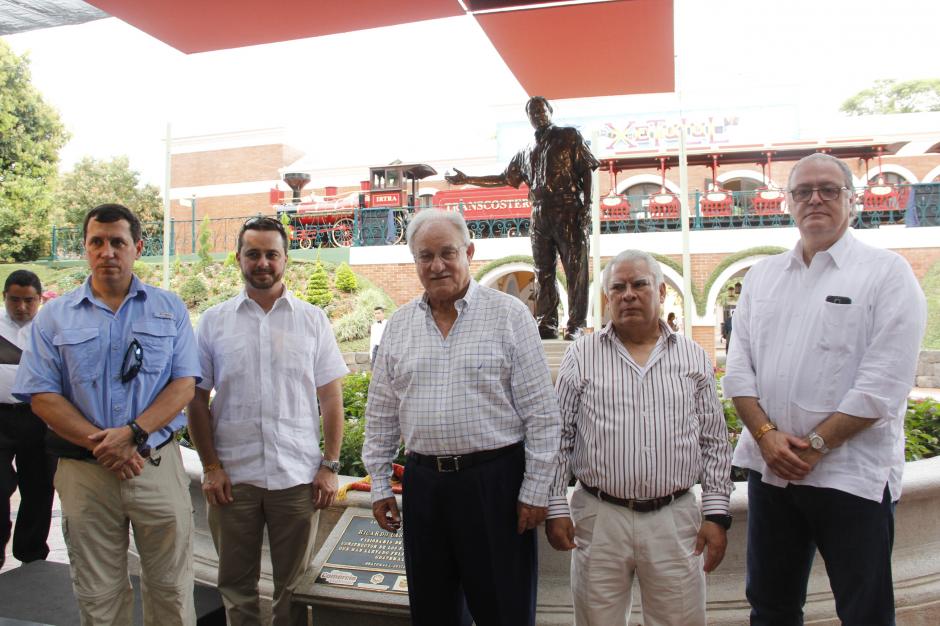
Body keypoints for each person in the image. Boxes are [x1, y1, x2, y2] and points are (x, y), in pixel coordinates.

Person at [724, 153, 927, 625]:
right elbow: (739, 371)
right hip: (772, 475)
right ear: (789, 203)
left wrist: (815, 446)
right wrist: (767, 436)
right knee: (771, 607)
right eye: (803, 191)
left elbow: (884, 384)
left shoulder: (886, 274)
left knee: (864, 612)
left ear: (851, 201)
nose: (815, 199)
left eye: (829, 190)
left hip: (850, 477)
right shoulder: (763, 276)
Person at [362, 209, 561, 626]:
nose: (437, 265)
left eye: (447, 252)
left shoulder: (509, 316)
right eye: (425, 256)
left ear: (469, 252)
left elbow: (542, 415)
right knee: (433, 612)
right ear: (414, 262)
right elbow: (380, 414)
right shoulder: (398, 326)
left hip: (495, 485)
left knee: (503, 610)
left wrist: (536, 489)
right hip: (425, 487)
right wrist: (380, 484)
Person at [13, 203, 201, 625]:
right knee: (97, 593)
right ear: (85, 249)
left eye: (117, 242)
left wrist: (133, 433)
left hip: (154, 466)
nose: (107, 251)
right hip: (86, 474)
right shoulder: (55, 317)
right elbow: (41, 394)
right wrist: (103, 443)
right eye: (97, 242)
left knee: (171, 590)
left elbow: (184, 385)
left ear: (136, 247)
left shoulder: (169, 309)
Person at [545, 249, 733, 626]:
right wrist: (555, 506)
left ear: (661, 292)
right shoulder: (581, 356)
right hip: (600, 517)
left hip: (675, 518)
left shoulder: (692, 357)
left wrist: (716, 514)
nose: (628, 294)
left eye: (639, 285)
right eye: (618, 287)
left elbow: (713, 441)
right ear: (608, 297)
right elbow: (558, 435)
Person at [188, 216, 347, 625]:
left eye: (271, 254)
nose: (263, 262)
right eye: (253, 253)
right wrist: (210, 467)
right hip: (232, 481)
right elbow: (196, 398)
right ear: (238, 258)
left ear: (285, 259)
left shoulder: (312, 320)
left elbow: (330, 398)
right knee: (236, 588)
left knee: (293, 591)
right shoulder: (213, 321)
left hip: (295, 479)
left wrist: (329, 466)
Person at [446, 96, 599, 341]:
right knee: (543, 271)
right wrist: (468, 180)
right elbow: (504, 178)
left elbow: (587, 170)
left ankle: (576, 324)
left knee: (575, 269)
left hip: (568, 208)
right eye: (533, 112)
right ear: (528, 118)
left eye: (541, 110)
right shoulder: (525, 151)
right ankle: (547, 323)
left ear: (550, 111)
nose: (538, 115)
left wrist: (588, 207)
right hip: (539, 213)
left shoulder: (569, 136)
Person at [1, 270, 56, 569]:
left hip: (40, 416)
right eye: (15, 300)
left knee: (39, 486)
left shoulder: (50, 328)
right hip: (1, 417)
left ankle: (32, 555)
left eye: (29, 300)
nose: (21, 307)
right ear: (5, 297)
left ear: (40, 299)